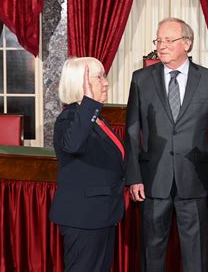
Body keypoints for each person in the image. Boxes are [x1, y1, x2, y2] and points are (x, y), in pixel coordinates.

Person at [124, 17, 208, 272]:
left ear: (187, 44)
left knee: (196, 256)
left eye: (169, 40)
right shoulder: (140, 79)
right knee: (152, 254)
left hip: (195, 182)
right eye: (159, 40)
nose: (162, 45)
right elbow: (131, 131)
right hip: (152, 182)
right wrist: (134, 177)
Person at [50, 57, 125, 271]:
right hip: (83, 218)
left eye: (104, 76)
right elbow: (72, 145)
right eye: (98, 77)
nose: (106, 82)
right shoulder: (69, 118)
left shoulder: (96, 118)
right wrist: (89, 102)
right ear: (79, 84)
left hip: (101, 214)